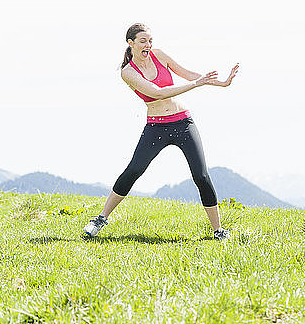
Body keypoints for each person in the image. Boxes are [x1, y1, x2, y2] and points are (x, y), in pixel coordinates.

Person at [83, 23, 239, 240]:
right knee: (134, 170)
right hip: (156, 126)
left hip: (183, 122)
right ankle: (100, 218)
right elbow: (157, 93)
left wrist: (219, 83)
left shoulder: (159, 55)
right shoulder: (127, 72)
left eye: (150, 41)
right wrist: (196, 84)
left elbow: (186, 73)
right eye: (142, 41)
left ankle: (218, 230)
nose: (148, 45)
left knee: (201, 175)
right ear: (130, 43)